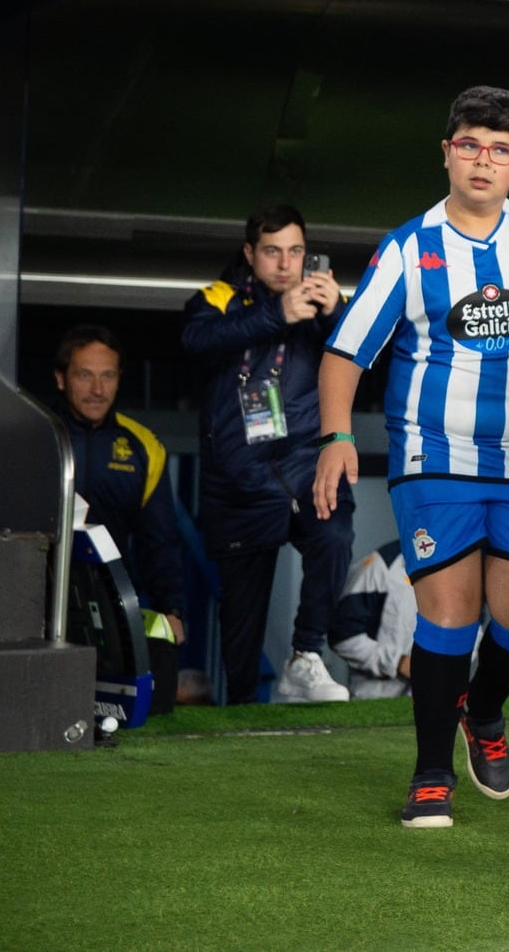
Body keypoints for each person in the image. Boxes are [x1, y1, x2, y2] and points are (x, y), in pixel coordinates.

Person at [315, 86, 509, 828]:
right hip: (432, 454)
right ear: (447, 152)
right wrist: (337, 437)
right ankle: (429, 774)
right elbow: (346, 353)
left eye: (501, 149)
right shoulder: (409, 246)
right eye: (471, 144)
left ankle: (482, 709)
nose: (485, 160)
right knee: (448, 615)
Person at [182, 204, 352, 706]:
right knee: (241, 626)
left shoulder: (324, 308)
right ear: (250, 253)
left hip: (304, 465)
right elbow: (196, 340)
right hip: (240, 481)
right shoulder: (218, 298)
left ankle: (305, 656)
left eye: (296, 251)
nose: (286, 264)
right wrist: (276, 314)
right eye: (273, 252)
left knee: (334, 533)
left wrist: (337, 312)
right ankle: (240, 717)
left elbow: (369, 365)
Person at [53, 325, 184, 645]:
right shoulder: (37, 436)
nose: (97, 389)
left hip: (112, 603)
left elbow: (159, 539)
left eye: (108, 376)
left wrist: (172, 609)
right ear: (61, 378)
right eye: (84, 375)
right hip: (37, 599)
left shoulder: (143, 446)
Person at [331, 540, 416, 699]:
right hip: (375, 699)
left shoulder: (464, 569)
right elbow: (343, 635)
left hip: (438, 699)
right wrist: (398, 662)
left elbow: (474, 634)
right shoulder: (384, 563)